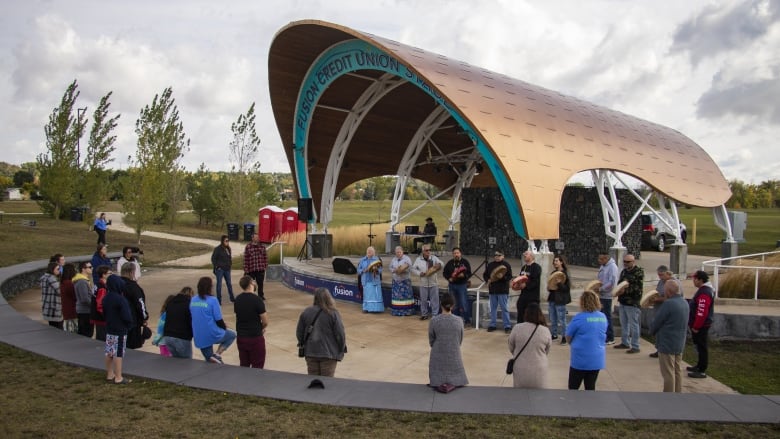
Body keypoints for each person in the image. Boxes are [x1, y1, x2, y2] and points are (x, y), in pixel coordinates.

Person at [296, 287, 347, 377]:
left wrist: (303, 343)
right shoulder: (333, 313)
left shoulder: (306, 312)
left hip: (311, 353)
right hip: (328, 354)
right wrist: (341, 349)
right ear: (329, 298)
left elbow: (299, 333)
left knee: (313, 380)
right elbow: (340, 335)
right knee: (327, 384)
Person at [650, 281, 688, 392]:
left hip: (667, 342)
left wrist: (652, 331)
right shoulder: (684, 302)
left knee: (668, 373)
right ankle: (677, 393)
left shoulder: (668, 304)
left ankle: (668, 396)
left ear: (668, 291)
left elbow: (657, 321)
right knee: (677, 370)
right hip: (679, 342)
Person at [566, 290, 608, 390]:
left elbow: (568, 336)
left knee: (573, 387)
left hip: (580, 359)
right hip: (596, 358)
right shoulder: (603, 317)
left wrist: (572, 343)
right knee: (590, 387)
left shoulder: (579, 318)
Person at [191, 276, 237, 364]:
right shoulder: (213, 300)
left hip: (199, 336)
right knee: (233, 334)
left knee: (210, 361)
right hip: (212, 334)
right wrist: (224, 327)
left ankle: (215, 358)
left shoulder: (193, 300)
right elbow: (219, 320)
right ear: (210, 288)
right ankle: (217, 354)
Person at [428, 293, 468, 389]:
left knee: (436, 377)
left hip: (437, 357)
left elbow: (431, 340)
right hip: (454, 354)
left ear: (440, 304)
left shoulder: (434, 321)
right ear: (453, 306)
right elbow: (460, 340)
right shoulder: (459, 320)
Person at [508, 302, 552, 388]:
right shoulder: (545, 330)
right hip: (539, 367)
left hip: (520, 366)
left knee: (519, 395)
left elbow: (511, 346)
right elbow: (547, 349)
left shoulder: (517, 328)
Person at [102, 274, 133, 384]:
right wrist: (129, 325)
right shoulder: (121, 300)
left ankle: (110, 374)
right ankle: (118, 377)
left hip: (110, 327)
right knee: (118, 353)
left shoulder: (106, 298)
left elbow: (104, 313)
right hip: (120, 329)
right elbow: (127, 316)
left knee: (109, 351)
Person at [234, 276, 269, 368]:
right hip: (255, 338)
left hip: (241, 337)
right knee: (257, 366)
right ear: (251, 284)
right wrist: (261, 328)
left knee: (244, 365)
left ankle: (244, 382)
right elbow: (265, 321)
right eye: (253, 281)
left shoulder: (238, 299)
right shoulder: (257, 300)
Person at [688, 270, 715, 379]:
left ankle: (702, 370)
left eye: (694, 279)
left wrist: (696, 326)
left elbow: (702, 312)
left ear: (700, 279)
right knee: (699, 346)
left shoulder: (704, 292)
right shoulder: (703, 290)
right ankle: (699, 365)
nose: (693, 281)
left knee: (702, 347)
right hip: (700, 325)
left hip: (701, 326)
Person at [649, 265, 681, 358]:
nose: (660, 277)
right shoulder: (660, 282)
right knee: (659, 331)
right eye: (658, 275)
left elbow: (674, 297)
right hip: (659, 310)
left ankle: (666, 350)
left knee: (666, 331)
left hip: (669, 311)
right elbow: (658, 293)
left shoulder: (675, 283)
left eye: (662, 275)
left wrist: (658, 299)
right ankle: (658, 349)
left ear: (667, 273)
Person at [614, 253, 644, 353]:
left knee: (633, 325)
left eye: (628, 262)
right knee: (624, 323)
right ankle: (625, 342)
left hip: (632, 302)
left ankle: (635, 346)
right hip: (623, 301)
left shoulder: (638, 272)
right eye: (624, 262)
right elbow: (619, 283)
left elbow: (637, 287)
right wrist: (619, 291)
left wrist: (624, 290)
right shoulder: (624, 271)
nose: (626, 264)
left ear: (633, 261)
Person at [120, 262, 149, 349]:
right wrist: (144, 317)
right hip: (132, 321)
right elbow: (140, 304)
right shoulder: (133, 287)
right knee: (131, 347)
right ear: (132, 272)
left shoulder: (116, 284)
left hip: (118, 321)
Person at [483, 250, 512, 333]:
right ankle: (493, 325)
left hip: (502, 290)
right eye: (495, 255)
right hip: (492, 289)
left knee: (504, 308)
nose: (497, 256)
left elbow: (509, 276)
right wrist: (487, 279)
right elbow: (485, 274)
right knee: (493, 308)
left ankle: (507, 326)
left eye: (499, 255)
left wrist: (502, 277)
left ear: (503, 256)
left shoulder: (506, 265)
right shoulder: (490, 265)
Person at [411, 244, 443, 320]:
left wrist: (438, 265)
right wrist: (419, 273)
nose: (428, 251)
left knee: (435, 300)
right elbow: (412, 269)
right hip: (423, 283)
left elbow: (442, 264)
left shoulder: (434, 258)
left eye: (429, 250)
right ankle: (424, 314)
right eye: (426, 250)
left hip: (433, 283)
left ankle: (435, 314)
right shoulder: (418, 259)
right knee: (423, 300)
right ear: (423, 251)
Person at [162, 286, 195, 359]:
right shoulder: (188, 304)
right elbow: (191, 321)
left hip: (168, 336)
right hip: (181, 337)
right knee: (187, 363)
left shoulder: (171, 302)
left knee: (176, 362)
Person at [443, 247, 472, 326]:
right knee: (453, 304)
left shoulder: (465, 262)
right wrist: (449, 278)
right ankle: (455, 320)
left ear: (460, 253)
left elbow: (469, 273)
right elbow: (444, 273)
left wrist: (464, 275)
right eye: (454, 253)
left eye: (457, 253)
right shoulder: (449, 263)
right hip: (452, 286)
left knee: (463, 303)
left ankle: (467, 320)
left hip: (462, 285)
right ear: (453, 254)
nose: (456, 254)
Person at [547, 255, 571, 344]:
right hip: (552, 298)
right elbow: (549, 286)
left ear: (561, 262)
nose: (555, 262)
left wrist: (559, 284)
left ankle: (564, 336)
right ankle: (554, 334)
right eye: (554, 261)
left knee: (562, 319)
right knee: (552, 318)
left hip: (560, 299)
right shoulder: (553, 272)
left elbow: (567, 288)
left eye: (556, 261)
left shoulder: (564, 274)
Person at [597, 251, 619, 345]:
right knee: (601, 316)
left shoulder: (612, 267)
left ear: (606, 258)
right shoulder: (603, 266)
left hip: (607, 295)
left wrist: (601, 288)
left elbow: (611, 282)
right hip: (601, 295)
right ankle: (603, 335)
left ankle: (610, 337)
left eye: (600, 259)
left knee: (606, 316)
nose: (599, 261)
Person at [516, 250, 542, 324]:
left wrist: (526, 285)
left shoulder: (536, 267)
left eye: (526, 254)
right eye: (524, 254)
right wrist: (516, 284)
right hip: (523, 295)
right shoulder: (524, 267)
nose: (524, 255)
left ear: (531, 256)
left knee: (532, 317)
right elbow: (520, 278)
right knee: (520, 313)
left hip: (532, 297)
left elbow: (536, 281)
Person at [357, 246, 384, 313]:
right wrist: (363, 270)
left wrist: (376, 270)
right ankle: (366, 308)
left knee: (375, 296)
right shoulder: (362, 260)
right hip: (365, 281)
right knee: (366, 296)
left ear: (374, 252)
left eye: (371, 251)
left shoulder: (377, 259)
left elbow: (381, 269)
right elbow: (358, 270)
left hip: (374, 281)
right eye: (368, 251)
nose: (369, 252)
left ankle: (376, 309)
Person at [389, 246, 414, 316]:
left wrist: (403, 270)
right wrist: (394, 270)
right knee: (397, 298)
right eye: (397, 252)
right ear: (395, 253)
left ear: (402, 252)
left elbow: (410, 268)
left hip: (405, 281)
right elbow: (390, 267)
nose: (398, 253)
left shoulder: (407, 259)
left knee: (406, 298)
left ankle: (407, 312)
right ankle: (397, 311)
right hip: (396, 281)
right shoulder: (393, 259)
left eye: (400, 252)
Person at [243, 233, 269, 300]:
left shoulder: (262, 246)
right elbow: (246, 258)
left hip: (260, 269)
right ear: (252, 238)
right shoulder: (248, 246)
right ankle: (251, 296)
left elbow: (265, 256)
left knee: (260, 284)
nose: (257, 238)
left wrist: (265, 265)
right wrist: (246, 269)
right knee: (251, 284)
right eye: (256, 237)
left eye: (258, 237)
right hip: (251, 269)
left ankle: (260, 296)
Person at [91, 265, 112, 341]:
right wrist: (106, 316)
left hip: (98, 317)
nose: (111, 275)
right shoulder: (102, 287)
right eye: (109, 273)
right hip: (101, 319)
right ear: (104, 275)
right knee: (102, 339)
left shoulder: (97, 285)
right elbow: (100, 305)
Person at [74, 261, 95, 338]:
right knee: (86, 333)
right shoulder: (82, 282)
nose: (92, 268)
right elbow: (84, 298)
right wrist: (94, 305)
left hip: (86, 310)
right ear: (83, 269)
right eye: (89, 267)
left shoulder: (85, 280)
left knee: (88, 332)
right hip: (84, 311)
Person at [211, 235, 234, 304]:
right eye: (226, 241)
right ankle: (219, 300)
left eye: (228, 241)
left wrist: (230, 265)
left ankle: (232, 298)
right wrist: (217, 266)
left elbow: (229, 258)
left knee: (229, 284)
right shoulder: (217, 249)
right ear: (222, 241)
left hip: (227, 269)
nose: (227, 242)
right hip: (220, 270)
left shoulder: (228, 249)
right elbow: (213, 259)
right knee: (219, 285)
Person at [40, 261, 63, 329]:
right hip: (54, 309)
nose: (59, 271)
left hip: (47, 308)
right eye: (58, 269)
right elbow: (60, 291)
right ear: (52, 269)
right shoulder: (51, 279)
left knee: (52, 328)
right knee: (59, 330)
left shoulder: (44, 277)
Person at [59, 263, 78, 333]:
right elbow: (75, 296)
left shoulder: (63, 282)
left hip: (66, 311)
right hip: (72, 312)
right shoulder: (69, 284)